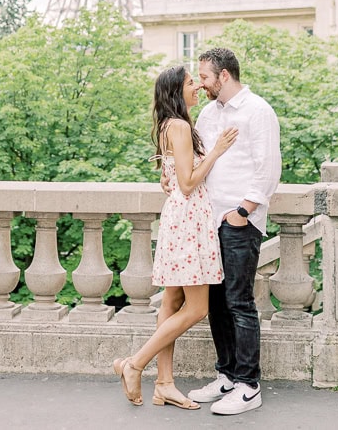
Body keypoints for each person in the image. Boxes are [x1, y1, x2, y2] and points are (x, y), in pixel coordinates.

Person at [112, 65, 237, 409]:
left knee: (171, 302)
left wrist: (167, 178)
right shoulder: (180, 126)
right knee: (197, 308)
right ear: (175, 91)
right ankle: (135, 363)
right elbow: (188, 182)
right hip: (189, 220)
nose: (197, 87)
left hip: (179, 218)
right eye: (190, 83)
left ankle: (164, 384)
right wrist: (217, 150)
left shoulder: (172, 124)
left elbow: (173, 176)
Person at [186, 47, 281, 416]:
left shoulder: (258, 110)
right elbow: (198, 158)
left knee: (239, 302)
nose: (201, 84)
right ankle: (226, 376)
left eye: (205, 77)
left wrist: (243, 212)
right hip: (207, 221)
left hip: (238, 221)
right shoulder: (209, 113)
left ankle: (248, 385)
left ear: (223, 75)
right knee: (215, 303)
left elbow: (268, 168)